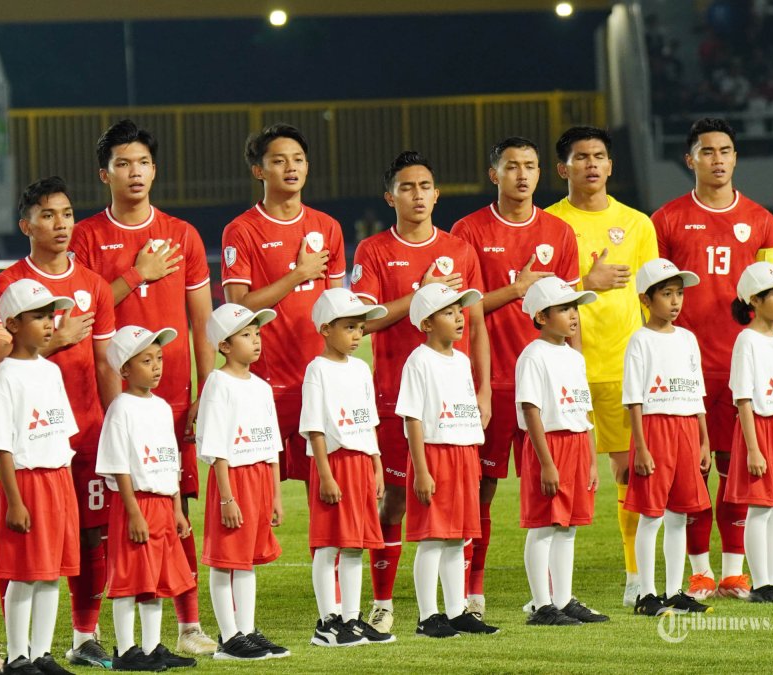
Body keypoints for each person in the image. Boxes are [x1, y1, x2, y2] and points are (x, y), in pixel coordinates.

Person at [70, 119, 216, 655]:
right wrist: (138, 273)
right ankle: (86, 633)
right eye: (124, 164)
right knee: (97, 519)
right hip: (101, 401)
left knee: (173, 512)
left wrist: (206, 389)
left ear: (155, 169)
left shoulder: (183, 234)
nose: (136, 173)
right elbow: (84, 309)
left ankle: (188, 625)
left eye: (144, 163)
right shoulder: (85, 237)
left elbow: (202, 322)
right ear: (104, 174)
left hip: (171, 399)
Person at [350, 151, 489, 630]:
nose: (417, 195)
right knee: (394, 497)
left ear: (437, 192)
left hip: (455, 403)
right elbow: (364, 323)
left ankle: (455, 606)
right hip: (394, 395)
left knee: (455, 499)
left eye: (425, 185)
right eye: (407, 187)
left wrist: (484, 389)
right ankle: (385, 603)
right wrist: (422, 292)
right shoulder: (371, 251)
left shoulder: (461, 250)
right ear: (390, 196)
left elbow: (477, 325)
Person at [651, 118, 773, 599]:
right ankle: (699, 571)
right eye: (707, 152)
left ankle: (732, 571)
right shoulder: (664, 220)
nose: (718, 159)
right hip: (682, 369)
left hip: (739, 368)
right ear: (690, 160)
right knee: (689, 474)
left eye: (725, 150)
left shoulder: (762, 221)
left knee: (735, 470)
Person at [0, 177, 118, 668]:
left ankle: (83, 637)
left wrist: (114, 423)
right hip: (28, 445)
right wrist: (59, 340)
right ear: (26, 225)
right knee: (26, 552)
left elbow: (105, 363)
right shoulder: (8, 287)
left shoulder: (93, 286)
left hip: (80, 432)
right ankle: (20, 651)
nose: (60, 223)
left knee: (88, 537)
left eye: (66, 213)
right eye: (48, 215)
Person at [450, 137, 580, 616]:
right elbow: (461, 311)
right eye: (511, 167)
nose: (522, 175)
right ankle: (472, 589)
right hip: (492, 383)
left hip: (546, 388)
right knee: (480, 491)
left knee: (553, 487)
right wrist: (515, 289)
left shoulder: (559, 233)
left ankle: (552, 597)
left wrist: (577, 372)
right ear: (494, 174)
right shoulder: (467, 231)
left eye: (530, 166)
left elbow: (570, 313)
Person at [545, 126, 659, 606]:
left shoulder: (637, 224)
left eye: (599, 156)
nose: (591, 163)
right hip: (563, 370)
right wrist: (584, 280)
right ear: (562, 168)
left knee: (629, 474)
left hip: (620, 367)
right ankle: (550, 591)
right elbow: (539, 296)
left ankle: (637, 578)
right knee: (559, 479)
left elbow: (653, 296)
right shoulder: (547, 223)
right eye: (580, 156)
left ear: (611, 166)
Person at [222, 123, 347, 493]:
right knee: (256, 494)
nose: (291, 167)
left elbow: (335, 310)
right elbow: (237, 309)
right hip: (263, 384)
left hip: (318, 382)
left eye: (298, 159)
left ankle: (328, 555)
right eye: (279, 161)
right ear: (259, 171)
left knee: (328, 492)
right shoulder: (242, 230)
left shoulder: (328, 227)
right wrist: (299, 275)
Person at [0, 279, 81, 675]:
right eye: (38, 316)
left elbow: (61, 434)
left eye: (50, 315)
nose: (48, 323)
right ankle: (18, 655)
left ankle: (42, 654)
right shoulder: (7, 375)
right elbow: (1, 444)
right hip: (27, 482)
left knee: (51, 571)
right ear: (13, 323)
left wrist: (67, 489)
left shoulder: (50, 371)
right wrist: (15, 500)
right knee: (24, 573)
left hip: (57, 480)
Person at [397, 284, 498, 637]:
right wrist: (421, 470)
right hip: (435, 456)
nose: (459, 318)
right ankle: (428, 616)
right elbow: (412, 418)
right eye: (448, 312)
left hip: (464, 453)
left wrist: (472, 459)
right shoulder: (419, 361)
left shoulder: (462, 360)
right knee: (432, 538)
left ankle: (456, 611)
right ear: (426, 323)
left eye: (460, 311)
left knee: (458, 538)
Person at [97, 325, 199, 671]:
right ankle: (125, 651)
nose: (156, 366)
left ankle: (153, 647)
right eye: (146, 360)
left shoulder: (161, 407)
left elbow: (170, 461)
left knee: (156, 581)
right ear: (124, 369)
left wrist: (176, 509)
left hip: (161, 505)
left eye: (158, 358)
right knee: (128, 580)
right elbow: (118, 464)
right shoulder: (121, 409)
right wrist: (133, 512)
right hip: (135, 505)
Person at [300, 288, 393, 647]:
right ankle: (327, 622)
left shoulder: (360, 369)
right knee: (329, 545)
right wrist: (324, 474)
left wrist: (377, 465)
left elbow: (368, 420)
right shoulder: (317, 369)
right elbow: (314, 426)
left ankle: (351, 619)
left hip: (361, 463)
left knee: (355, 545)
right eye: (350, 327)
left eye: (360, 328)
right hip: (334, 464)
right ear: (326, 329)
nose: (357, 335)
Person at [196, 303, 287, 661]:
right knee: (225, 559)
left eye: (257, 333)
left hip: (261, 478)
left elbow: (272, 446)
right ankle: (229, 635)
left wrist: (276, 495)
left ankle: (247, 629)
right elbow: (216, 445)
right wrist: (226, 497)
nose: (255, 340)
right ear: (224, 345)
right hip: (233, 479)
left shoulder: (261, 386)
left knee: (247, 560)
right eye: (246, 335)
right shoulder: (218, 383)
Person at [622, 259, 712, 616]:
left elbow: (696, 393)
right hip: (655, 430)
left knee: (679, 515)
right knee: (652, 515)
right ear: (646, 299)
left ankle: (675, 590)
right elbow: (633, 399)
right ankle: (647, 594)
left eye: (679, 293)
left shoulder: (688, 339)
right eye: (666, 294)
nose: (675, 302)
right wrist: (641, 447)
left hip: (687, 428)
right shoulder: (640, 341)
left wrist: (703, 440)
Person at [515, 277, 605, 626]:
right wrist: (546, 463)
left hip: (577, 444)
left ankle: (564, 599)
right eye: (565, 308)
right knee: (544, 526)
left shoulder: (573, 356)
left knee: (568, 527)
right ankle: (542, 605)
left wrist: (592, 459)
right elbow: (531, 410)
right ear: (540, 316)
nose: (573, 316)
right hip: (549, 446)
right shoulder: (533, 355)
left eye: (575, 308)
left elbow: (584, 411)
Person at [724, 262, 773, 603]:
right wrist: (753, 448)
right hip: (761, 430)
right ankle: (762, 584)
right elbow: (743, 397)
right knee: (760, 507)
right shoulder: (747, 340)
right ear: (754, 299)